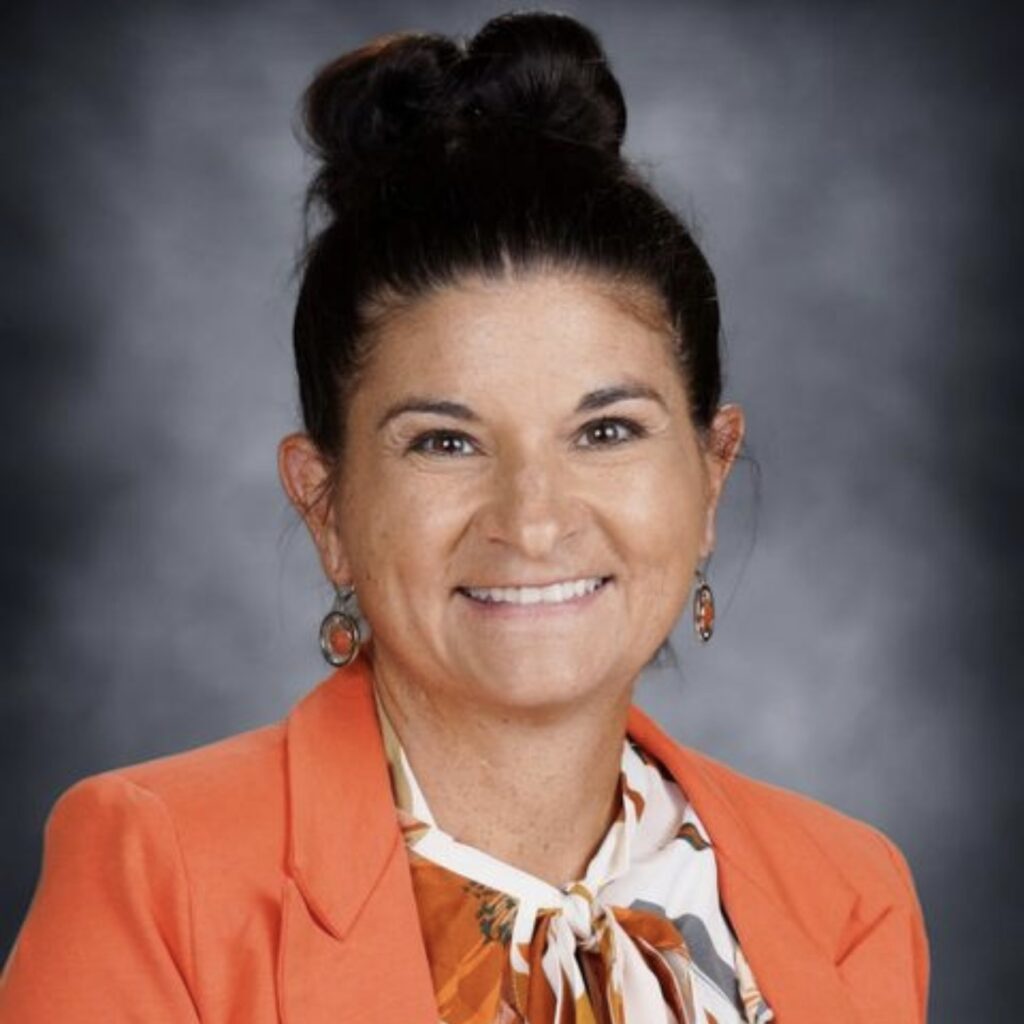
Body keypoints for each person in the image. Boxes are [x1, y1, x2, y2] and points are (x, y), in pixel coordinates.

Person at [0, 11, 930, 1023]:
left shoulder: (850, 891)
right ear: (326, 505)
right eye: (445, 441)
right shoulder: (157, 872)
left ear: (710, 475)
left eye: (607, 430)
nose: (531, 521)